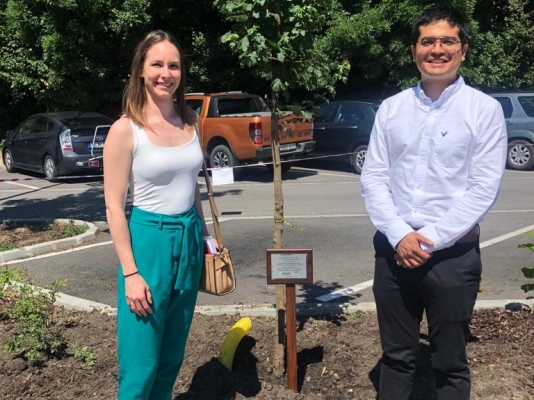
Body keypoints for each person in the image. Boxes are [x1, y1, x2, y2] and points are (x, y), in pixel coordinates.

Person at [360, 4, 507, 400]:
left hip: (452, 257)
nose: (437, 49)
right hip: (393, 252)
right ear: (414, 51)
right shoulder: (391, 109)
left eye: (447, 40)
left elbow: (483, 187)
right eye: (428, 41)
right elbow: (373, 177)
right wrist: (399, 234)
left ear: (463, 50)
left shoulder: (484, 110)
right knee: (396, 358)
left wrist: (429, 239)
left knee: (451, 363)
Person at [103, 30, 210, 399]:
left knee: (170, 359)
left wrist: (206, 237)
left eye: (174, 65)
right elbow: (114, 207)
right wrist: (131, 273)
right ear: (141, 71)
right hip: (148, 243)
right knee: (141, 365)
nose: (167, 73)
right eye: (158, 64)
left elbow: (191, 184)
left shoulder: (191, 120)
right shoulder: (125, 130)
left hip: (190, 238)